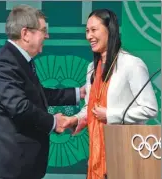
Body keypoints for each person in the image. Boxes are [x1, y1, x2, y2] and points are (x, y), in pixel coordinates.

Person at [0, 5, 86, 179]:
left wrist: (78, 93)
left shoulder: (20, 60)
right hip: (11, 168)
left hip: (23, 166)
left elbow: (38, 95)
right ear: (25, 34)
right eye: (43, 31)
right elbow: (19, 106)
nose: (47, 36)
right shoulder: (4, 62)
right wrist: (53, 122)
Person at [63, 9, 158, 179]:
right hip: (96, 151)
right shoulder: (91, 68)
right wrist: (75, 119)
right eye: (87, 31)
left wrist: (110, 114)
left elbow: (150, 109)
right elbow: (91, 108)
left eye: (94, 30)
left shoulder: (132, 64)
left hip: (126, 152)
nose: (88, 36)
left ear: (110, 30)